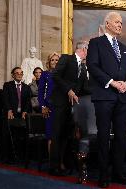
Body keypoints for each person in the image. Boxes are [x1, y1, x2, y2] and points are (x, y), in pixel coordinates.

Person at [87, 12, 126, 188]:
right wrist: (112, 82)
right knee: (104, 136)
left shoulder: (125, 47)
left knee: (121, 137)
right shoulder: (96, 43)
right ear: (107, 24)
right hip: (104, 97)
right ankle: (103, 175)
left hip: (122, 98)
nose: (120, 25)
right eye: (117, 22)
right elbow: (92, 66)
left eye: (121, 23)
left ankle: (118, 173)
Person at [49, 41, 88, 176]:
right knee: (57, 135)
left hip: (72, 108)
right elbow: (55, 75)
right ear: (83, 49)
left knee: (66, 136)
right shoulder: (66, 58)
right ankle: (54, 166)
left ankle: (63, 163)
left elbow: (84, 88)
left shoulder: (83, 68)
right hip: (60, 103)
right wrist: (68, 90)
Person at [2, 67, 31, 162]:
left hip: (21, 115)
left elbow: (27, 101)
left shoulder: (26, 87)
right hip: (10, 114)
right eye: (17, 73)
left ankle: (19, 157)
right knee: (8, 136)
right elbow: (5, 99)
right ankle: (7, 157)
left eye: (21, 73)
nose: (19, 74)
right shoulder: (7, 85)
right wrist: (9, 110)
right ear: (13, 75)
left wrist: (25, 111)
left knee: (20, 136)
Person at [38, 52, 59, 155]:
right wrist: (43, 106)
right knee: (50, 136)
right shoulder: (45, 74)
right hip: (49, 109)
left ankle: (60, 162)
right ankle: (52, 162)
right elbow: (41, 93)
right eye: (52, 60)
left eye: (56, 60)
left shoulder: (63, 74)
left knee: (61, 137)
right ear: (49, 62)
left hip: (61, 108)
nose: (54, 62)